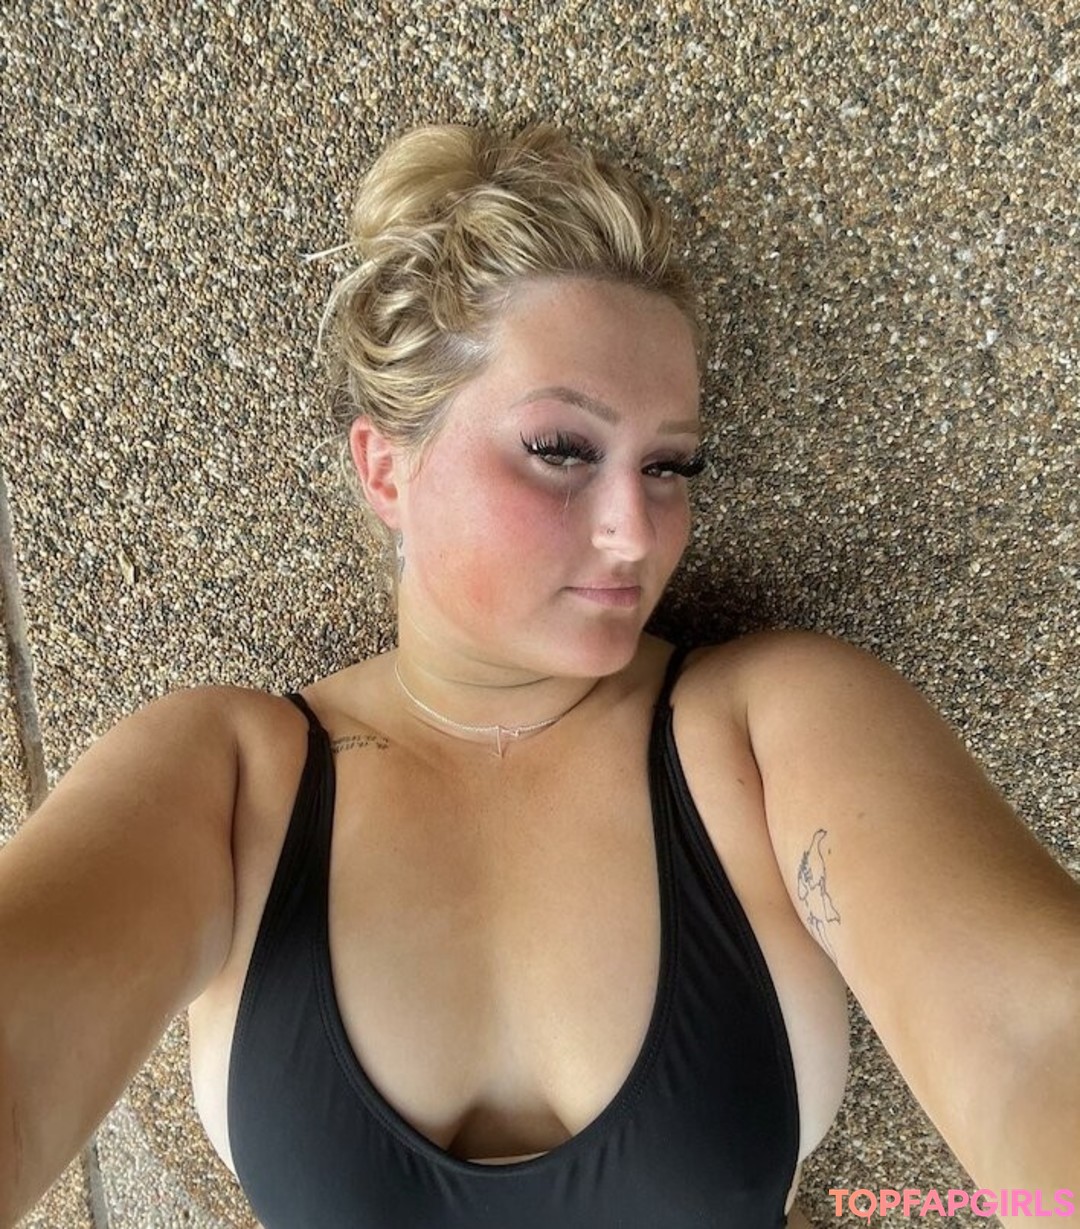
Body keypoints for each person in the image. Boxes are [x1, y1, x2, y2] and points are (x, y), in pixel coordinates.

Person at [0, 124, 1076, 1229]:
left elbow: (1034, 1034)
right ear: (387, 467)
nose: (635, 530)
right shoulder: (230, 781)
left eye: (670, 464)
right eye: (562, 450)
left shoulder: (773, 733)